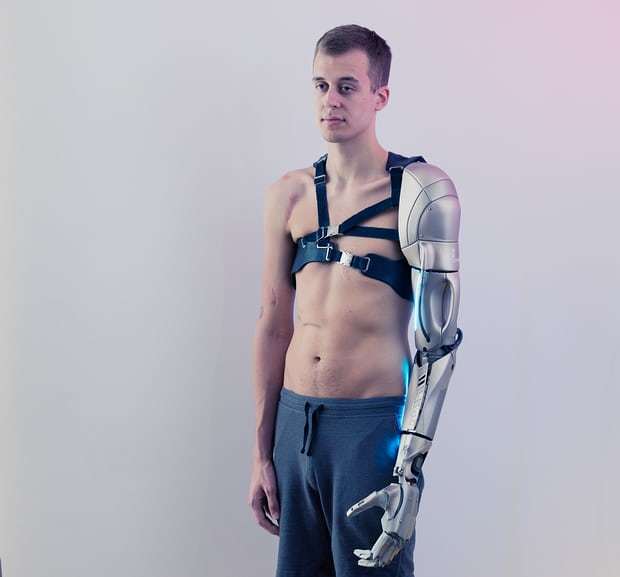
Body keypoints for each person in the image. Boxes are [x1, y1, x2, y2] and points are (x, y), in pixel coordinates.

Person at [248, 24, 463, 577]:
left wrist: (408, 473)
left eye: (347, 86)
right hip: (296, 425)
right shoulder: (288, 194)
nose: (331, 101)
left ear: (379, 96)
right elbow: (274, 324)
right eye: (321, 86)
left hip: (370, 430)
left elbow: (437, 344)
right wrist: (261, 452)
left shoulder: (419, 192)